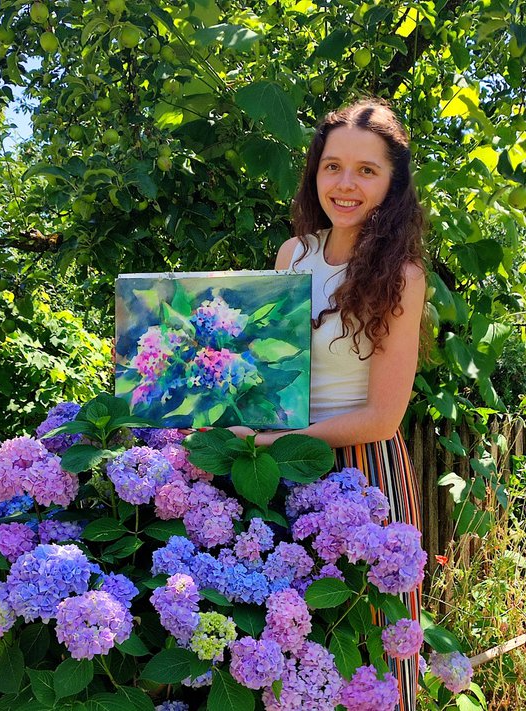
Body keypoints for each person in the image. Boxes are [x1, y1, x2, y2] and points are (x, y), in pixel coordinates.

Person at [229, 98, 427, 711]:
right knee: (291, 646)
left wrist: (272, 446)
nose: (345, 184)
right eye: (332, 166)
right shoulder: (295, 255)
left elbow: (383, 417)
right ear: (315, 172)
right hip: (284, 468)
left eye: (366, 170)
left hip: (363, 473)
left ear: (393, 183)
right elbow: (273, 372)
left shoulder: (402, 274)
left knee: (363, 643)